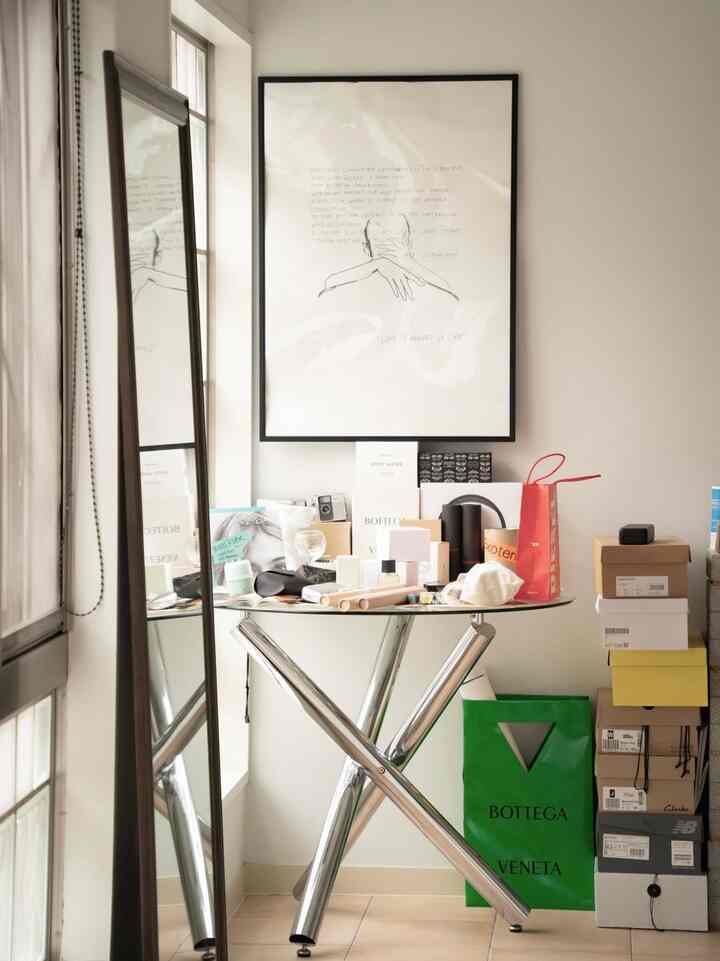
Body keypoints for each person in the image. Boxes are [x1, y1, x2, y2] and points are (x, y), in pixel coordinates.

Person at [318, 213, 459, 302]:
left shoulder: (339, 293)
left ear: (366, 249)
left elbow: (325, 289)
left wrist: (378, 263)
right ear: (410, 244)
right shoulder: (442, 294)